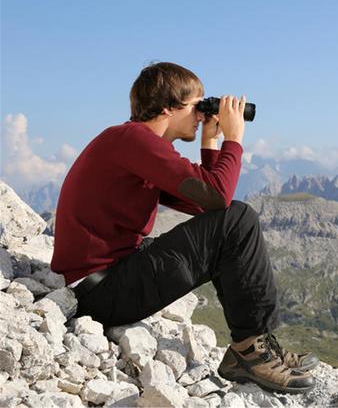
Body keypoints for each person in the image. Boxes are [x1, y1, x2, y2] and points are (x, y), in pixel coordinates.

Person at [50, 62, 318, 394]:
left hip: (105, 283)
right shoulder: (133, 140)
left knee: (230, 223)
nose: (202, 115)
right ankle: (250, 352)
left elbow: (205, 204)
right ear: (167, 107)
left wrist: (210, 143)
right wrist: (234, 140)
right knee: (239, 219)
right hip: (100, 291)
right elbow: (220, 199)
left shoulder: (136, 146)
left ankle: (253, 346)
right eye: (198, 106)